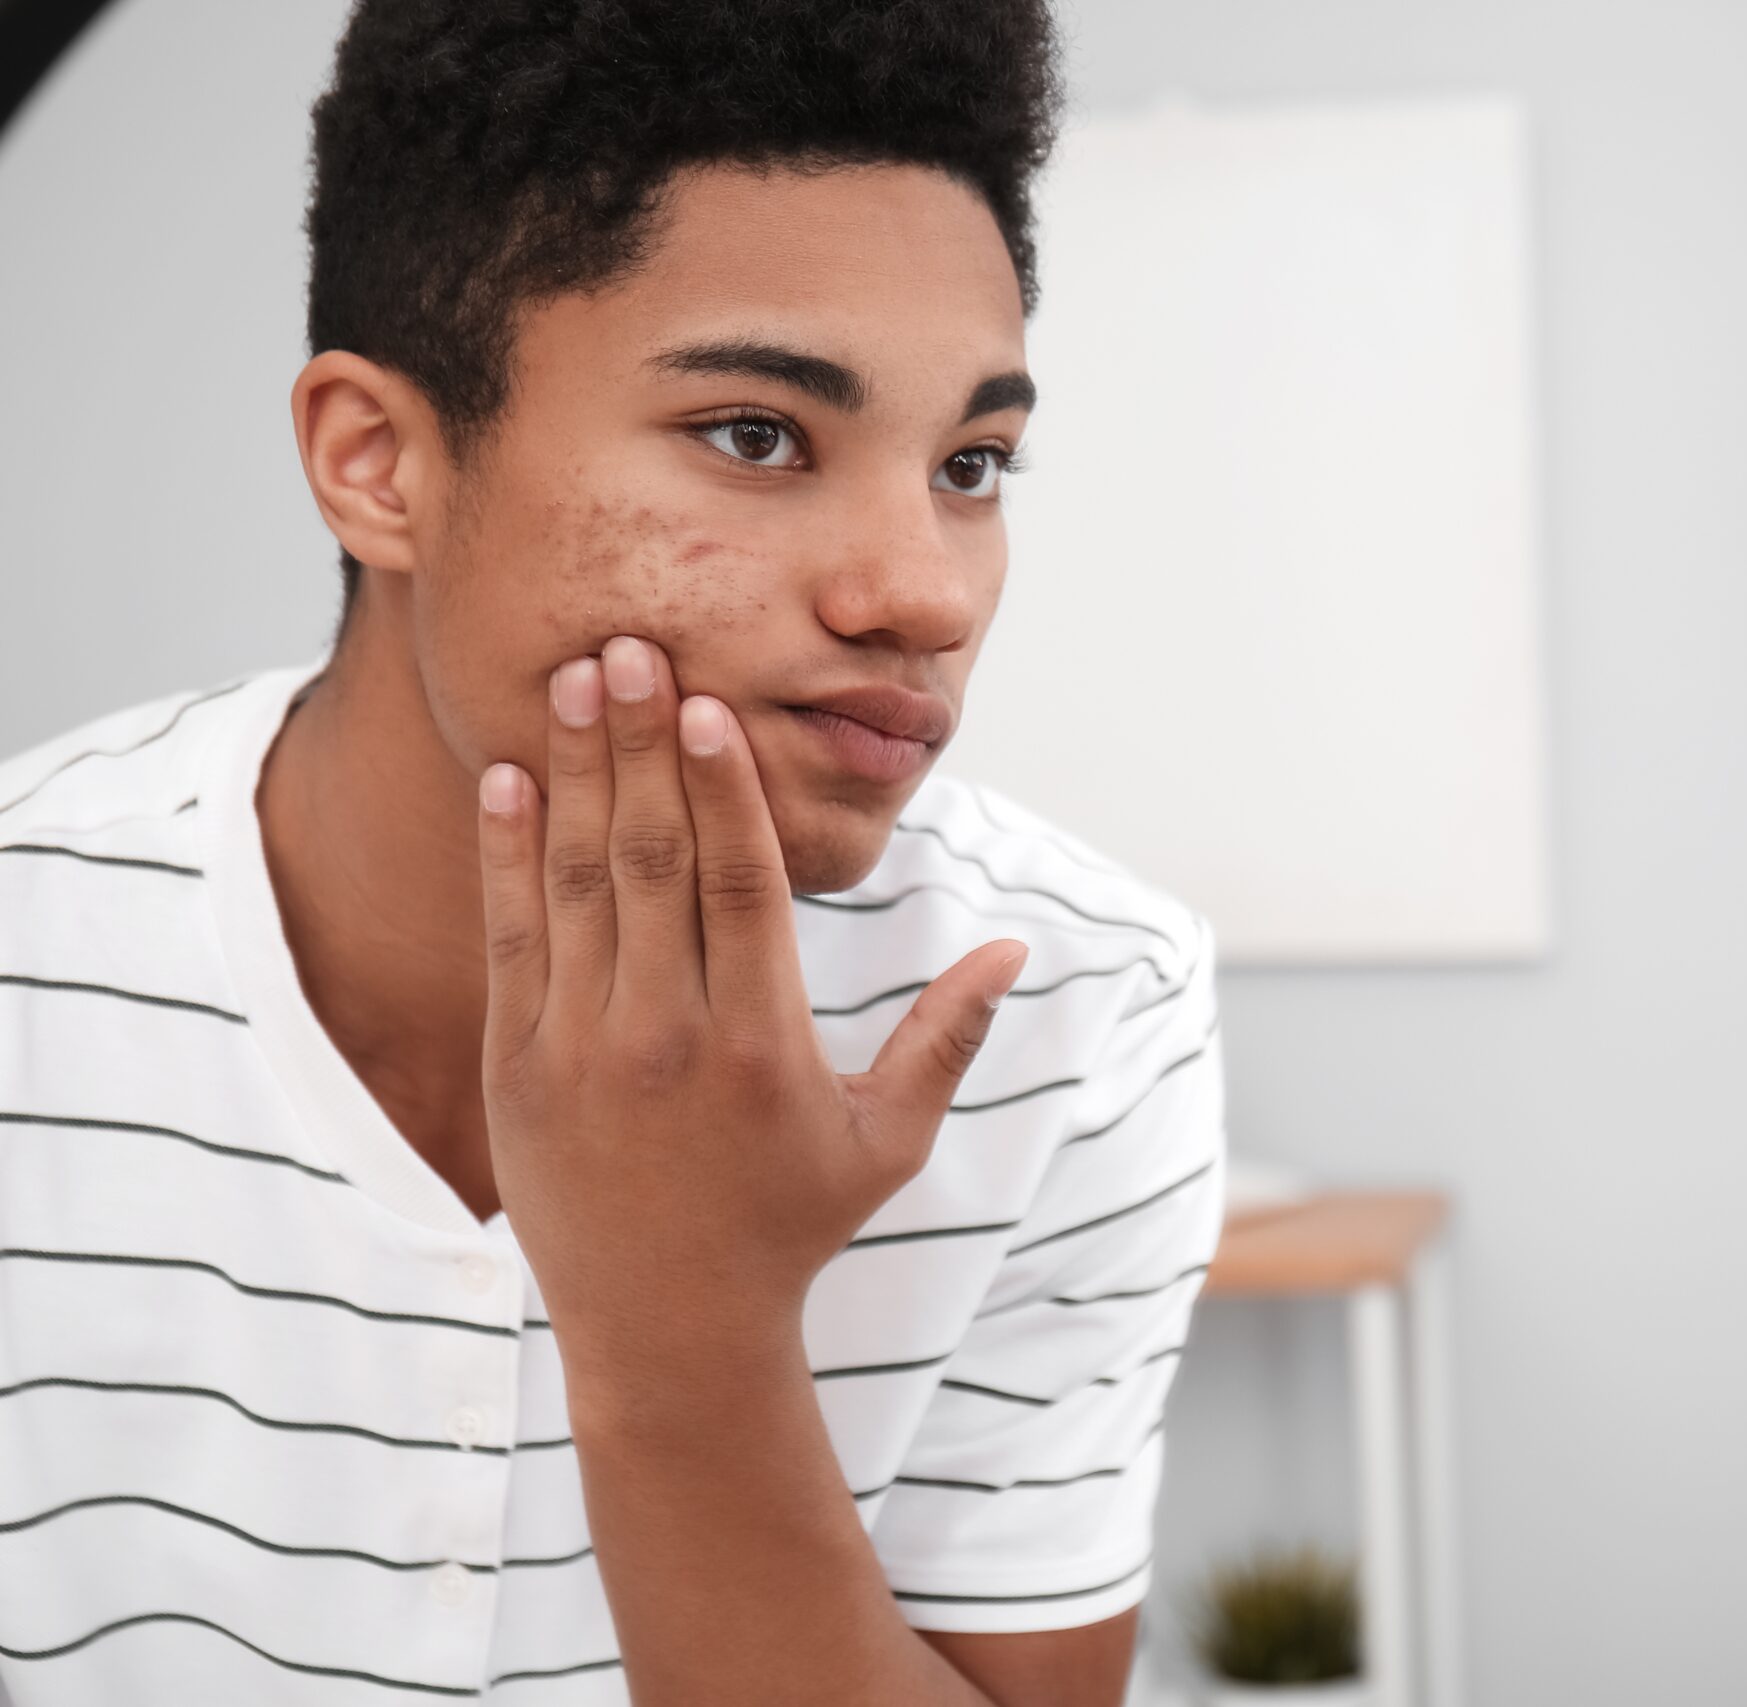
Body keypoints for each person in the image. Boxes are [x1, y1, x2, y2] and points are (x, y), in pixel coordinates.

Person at [0, 2, 1227, 1701]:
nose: (928, 595)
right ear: (378, 466)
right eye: (756, 435)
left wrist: (689, 1336)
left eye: (972, 463)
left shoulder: (1074, 1012)